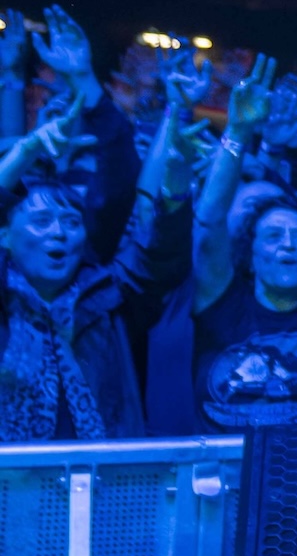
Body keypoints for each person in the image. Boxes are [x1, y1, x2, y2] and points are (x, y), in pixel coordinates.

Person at [167, 54, 297, 433]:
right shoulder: (222, 305)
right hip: (227, 484)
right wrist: (239, 131)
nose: (290, 245)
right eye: (274, 236)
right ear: (250, 255)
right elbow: (210, 221)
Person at [0, 101, 191, 440]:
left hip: (105, 483)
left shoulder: (109, 293)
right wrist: (28, 149)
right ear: (5, 236)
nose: (59, 232)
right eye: (41, 221)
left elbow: (159, 254)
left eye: (72, 222)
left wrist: (175, 196)